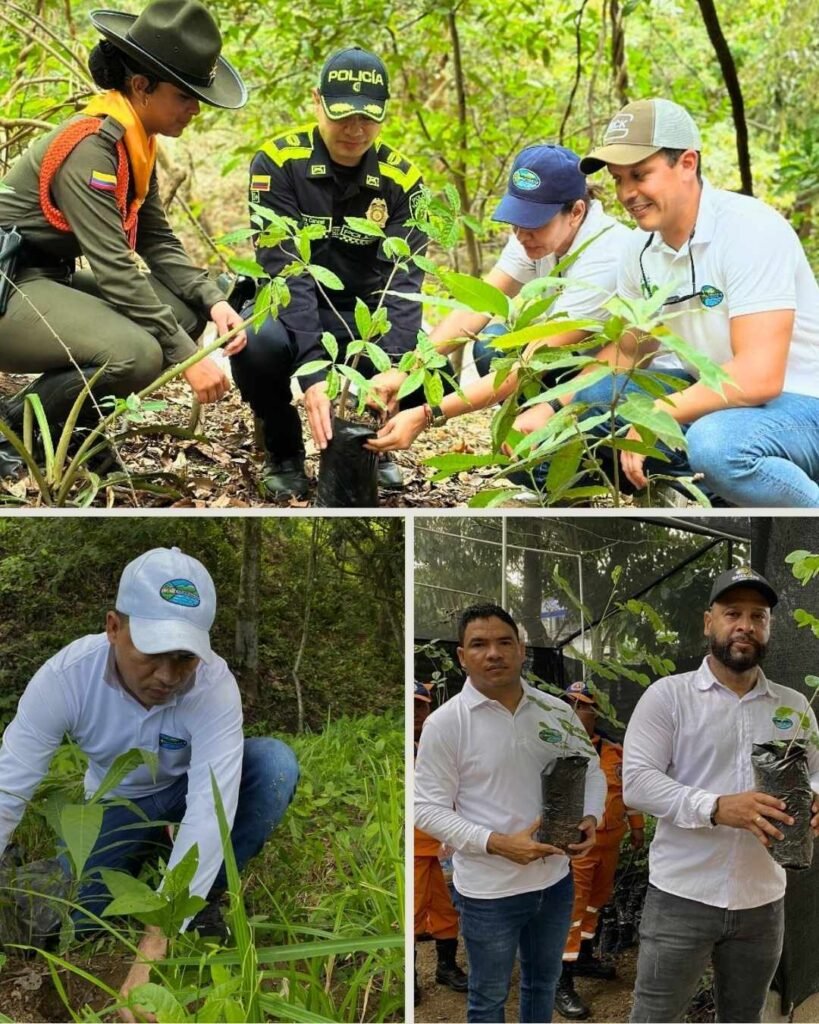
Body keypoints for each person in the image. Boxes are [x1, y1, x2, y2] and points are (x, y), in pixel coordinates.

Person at [0, 546, 299, 1021]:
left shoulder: (214, 687)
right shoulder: (66, 679)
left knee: (273, 764)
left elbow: (210, 807)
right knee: (74, 922)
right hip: (119, 805)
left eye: (184, 658)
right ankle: (139, 856)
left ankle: (202, 896)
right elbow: (8, 787)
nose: (167, 676)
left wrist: (156, 940)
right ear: (114, 628)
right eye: (152, 654)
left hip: (185, 795)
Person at [526, 97, 819, 507]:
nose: (628, 193)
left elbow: (758, 376)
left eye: (640, 175)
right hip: (719, 400)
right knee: (596, 402)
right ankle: (715, 496)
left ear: (687, 164)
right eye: (618, 179)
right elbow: (630, 350)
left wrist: (658, 412)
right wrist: (555, 408)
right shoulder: (639, 250)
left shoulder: (750, 229)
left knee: (716, 445)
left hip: (802, 403)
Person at [0, 0, 249, 480]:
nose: (195, 109)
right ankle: (13, 425)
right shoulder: (92, 147)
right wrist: (188, 358)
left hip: (44, 278)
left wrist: (214, 301)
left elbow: (156, 242)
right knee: (136, 354)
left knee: (183, 309)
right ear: (141, 86)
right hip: (7, 287)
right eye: (185, 96)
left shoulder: (135, 144)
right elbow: (115, 269)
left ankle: (75, 431)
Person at [622, 566, 819, 1023]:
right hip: (681, 895)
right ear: (708, 621)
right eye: (733, 613)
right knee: (655, 1014)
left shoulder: (794, 706)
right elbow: (636, 781)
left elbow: (815, 775)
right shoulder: (668, 697)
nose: (745, 625)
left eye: (758, 615)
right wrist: (715, 807)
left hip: (763, 900)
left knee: (742, 1015)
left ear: (769, 627)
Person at [231, 46, 427, 499]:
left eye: (368, 119)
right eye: (342, 116)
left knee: (421, 361)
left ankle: (370, 449)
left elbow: (404, 283)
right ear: (317, 101)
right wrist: (312, 373)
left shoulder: (403, 181)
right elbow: (285, 270)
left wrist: (392, 366)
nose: (355, 131)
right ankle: (283, 450)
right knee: (255, 346)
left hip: (362, 312)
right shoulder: (279, 164)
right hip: (290, 304)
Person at [368, 144, 637, 454]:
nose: (521, 235)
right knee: (493, 345)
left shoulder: (605, 255)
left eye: (534, 222)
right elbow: (477, 305)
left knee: (525, 447)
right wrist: (407, 370)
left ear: (576, 212)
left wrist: (429, 414)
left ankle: (562, 461)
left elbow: (530, 364)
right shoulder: (533, 237)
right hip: (569, 363)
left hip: (620, 378)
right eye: (516, 221)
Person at [415, 603, 607, 1023]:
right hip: (489, 892)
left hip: (555, 881)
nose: (493, 653)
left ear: (522, 650)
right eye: (479, 644)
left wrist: (591, 817)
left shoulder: (556, 712)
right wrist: (498, 843)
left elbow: (590, 770)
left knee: (542, 982)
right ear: (462, 657)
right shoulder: (447, 724)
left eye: (504, 642)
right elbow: (425, 808)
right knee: (488, 996)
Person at [555, 680, 645, 1021]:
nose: (575, 711)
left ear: (594, 712)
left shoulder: (615, 753)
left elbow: (630, 794)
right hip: (577, 848)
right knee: (572, 910)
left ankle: (585, 957)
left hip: (611, 844)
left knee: (597, 900)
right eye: (570, 704)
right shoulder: (559, 752)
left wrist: (637, 828)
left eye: (581, 706)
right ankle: (560, 981)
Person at [413, 680, 468, 1005]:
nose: (417, 713)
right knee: (415, 911)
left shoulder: (438, 745)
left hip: (444, 846)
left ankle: (446, 967)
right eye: (412, 706)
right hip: (417, 848)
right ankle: (411, 979)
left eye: (421, 705)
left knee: (446, 911)